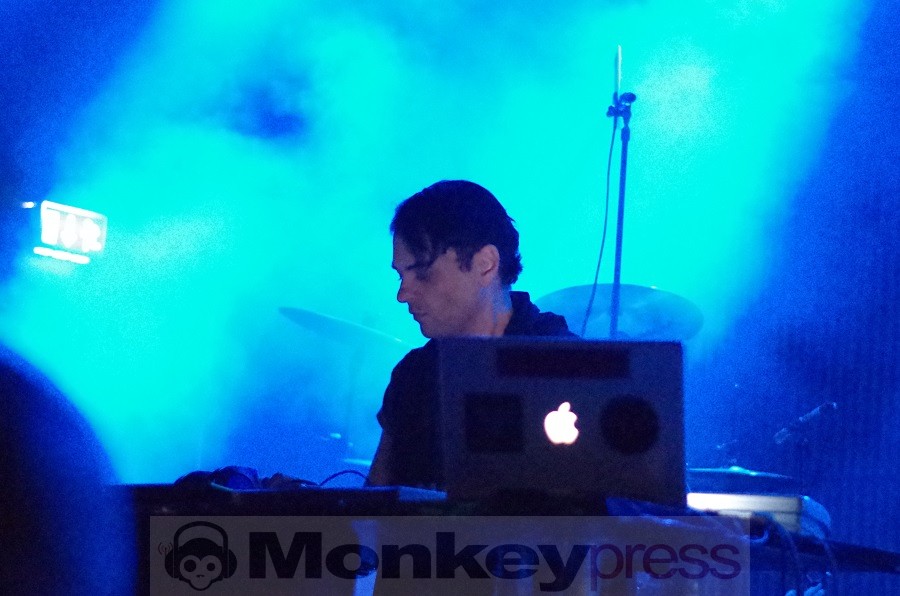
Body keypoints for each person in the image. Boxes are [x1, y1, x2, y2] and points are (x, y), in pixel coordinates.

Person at [366, 180, 574, 489]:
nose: (402, 294)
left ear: (486, 264)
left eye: (422, 273)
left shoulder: (563, 365)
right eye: (400, 276)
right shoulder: (414, 374)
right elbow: (376, 502)